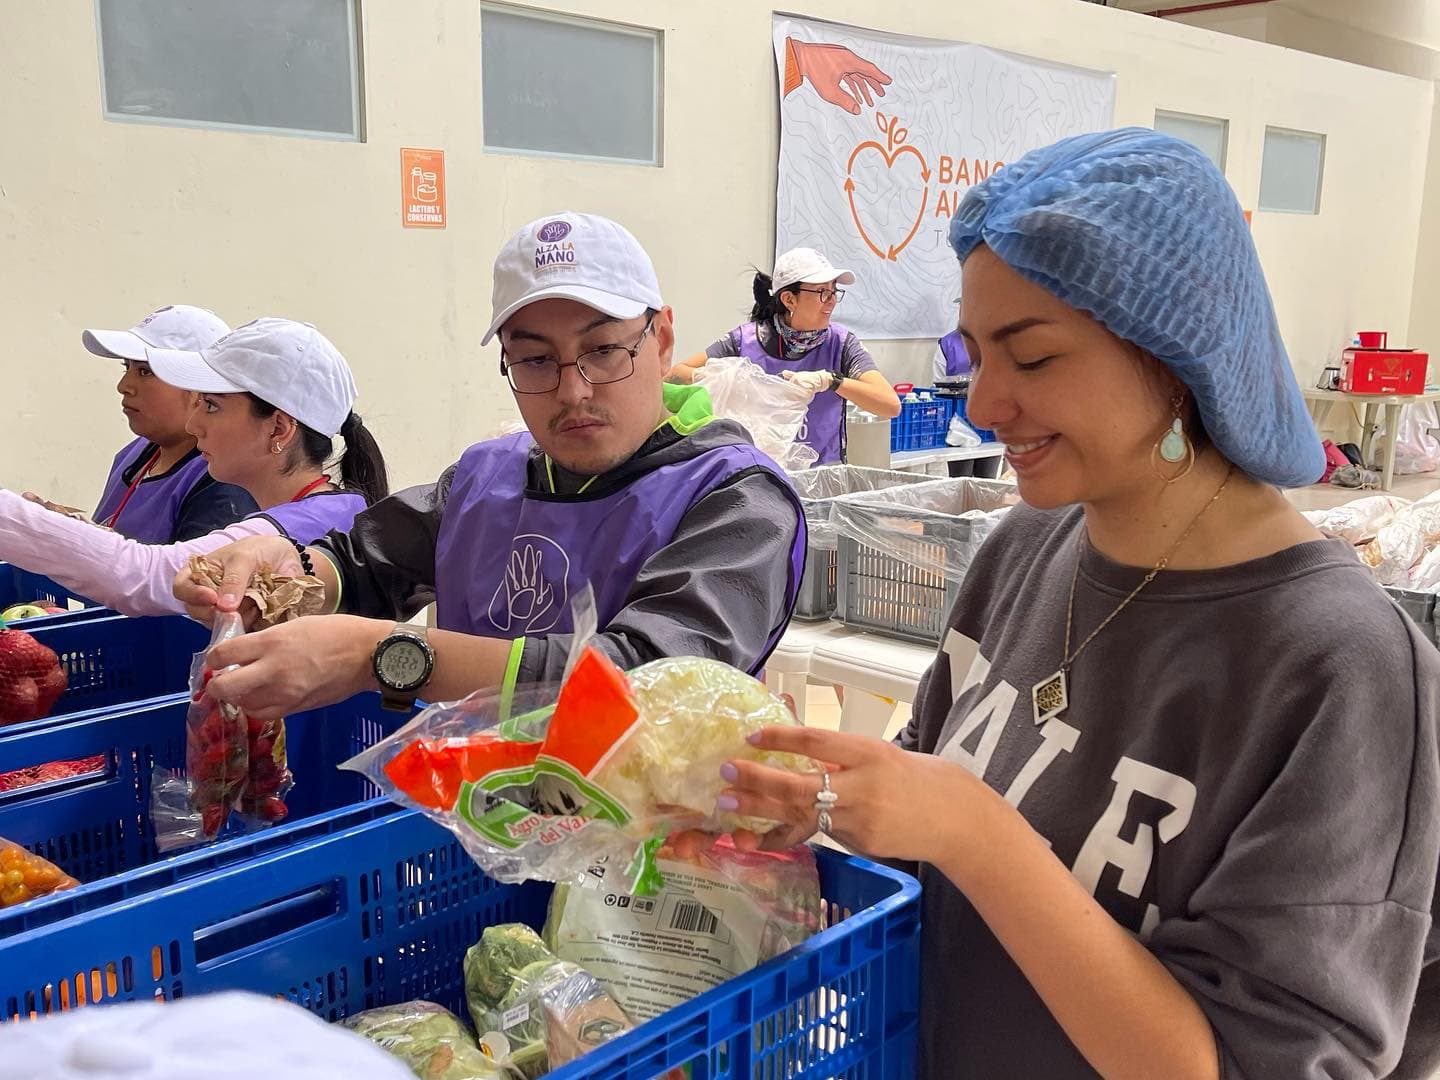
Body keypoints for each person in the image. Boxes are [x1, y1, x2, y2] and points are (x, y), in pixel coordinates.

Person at [705, 129, 1440, 1078]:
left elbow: (1253, 1063)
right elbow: (933, 845)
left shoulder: (1342, 670)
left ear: (1178, 357)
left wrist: (977, 834)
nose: (984, 401)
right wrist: (818, 810)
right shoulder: (1021, 552)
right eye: (976, 352)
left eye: (1035, 357)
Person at [171, 212, 806, 720]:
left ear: (663, 340)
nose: (574, 390)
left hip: (646, 858)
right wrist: (286, 573)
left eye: (604, 350)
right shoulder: (488, 478)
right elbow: (367, 558)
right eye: (534, 361)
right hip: (479, 824)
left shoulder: (734, 499)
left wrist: (382, 656)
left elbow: (649, 678)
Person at [0, 318, 388, 615]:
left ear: (279, 427)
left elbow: (146, 576)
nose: (193, 424)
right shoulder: (329, 506)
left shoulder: (306, 524)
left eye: (212, 406)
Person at [20, 305, 259, 542]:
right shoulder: (134, 453)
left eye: (145, 372)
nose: (124, 385)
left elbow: (181, 576)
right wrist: (60, 530)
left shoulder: (223, 481)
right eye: (126, 367)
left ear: (199, 388)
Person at [671, 248, 900, 466]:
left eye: (834, 291)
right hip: (756, 477)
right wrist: (736, 382)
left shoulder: (841, 344)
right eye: (823, 292)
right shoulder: (745, 340)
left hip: (819, 479)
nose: (831, 300)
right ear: (790, 299)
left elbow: (889, 405)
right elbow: (675, 376)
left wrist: (832, 381)